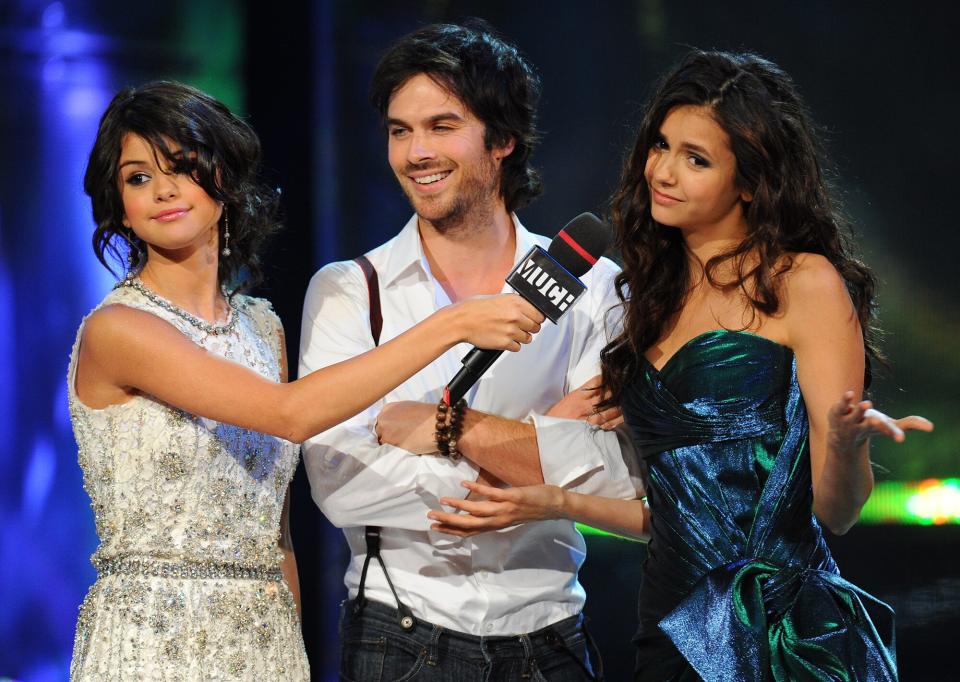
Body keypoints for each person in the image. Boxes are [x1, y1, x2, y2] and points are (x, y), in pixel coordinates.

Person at [411, 50, 935, 680]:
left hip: (775, 635)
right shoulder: (645, 298)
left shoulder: (804, 282)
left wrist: (846, 446)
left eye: (697, 159)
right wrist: (552, 501)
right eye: (661, 145)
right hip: (667, 623)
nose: (662, 171)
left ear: (751, 180)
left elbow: (837, 513)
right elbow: (672, 515)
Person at [68, 81, 543, 681]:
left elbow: (279, 531)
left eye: (183, 168)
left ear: (224, 174)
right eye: (138, 178)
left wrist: (290, 655)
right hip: (150, 641)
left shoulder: (263, 327)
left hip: (262, 638)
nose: (163, 190)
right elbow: (289, 414)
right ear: (118, 201)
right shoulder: (119, 329)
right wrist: (450, 325)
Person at [299, 21, 639, 681]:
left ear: (504, 139)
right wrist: (528, 467)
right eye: (400, 131)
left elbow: (620, 474)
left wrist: (443, 430)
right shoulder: (350, 290)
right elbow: (339, 480)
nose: (416, 152)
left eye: (441, 126)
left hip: (551, 633)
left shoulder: (596, 287)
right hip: (402, 631)